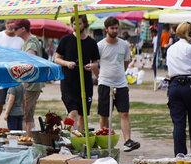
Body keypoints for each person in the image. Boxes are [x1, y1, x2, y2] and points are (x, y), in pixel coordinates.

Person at [95, 16, 139, 152]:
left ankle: (127, 141)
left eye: (116, 28)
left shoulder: (124, 45)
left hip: (121, 83)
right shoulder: (100, 46)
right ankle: (105, 139)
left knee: (124, 113)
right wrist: (101, 77)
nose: (115, 31)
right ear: (106, 29)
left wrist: (119, 74)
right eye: (112, 28)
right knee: (104, 114)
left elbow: (126, 62)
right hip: (104, 83)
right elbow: (96, 65)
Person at [54, 15, 99, 132]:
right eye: (74, 24)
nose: (76, 26)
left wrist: (92, 66)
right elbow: (56, 59)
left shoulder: (91, 42)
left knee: (83, 115)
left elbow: (96, 62)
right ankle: (70, 139)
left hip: (85, 82)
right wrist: (67, 63)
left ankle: (80, 140)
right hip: (68, 82)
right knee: (72, 112)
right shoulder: (65, 40)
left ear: (84, 24)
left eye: (79, 24)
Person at [165, 22, 191, 155]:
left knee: (178, 124)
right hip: (190, 84)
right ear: (189, 33)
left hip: (174, 85)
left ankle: (180, 155)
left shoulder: (171, 48)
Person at [12, 19, 44, 138]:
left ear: (23, 29)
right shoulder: (30, 41)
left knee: (24, 114)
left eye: (15, 28)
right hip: (33, 84)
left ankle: (28, 140)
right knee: (29, 116)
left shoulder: (31, 42)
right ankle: (30, 140)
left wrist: (24, 83)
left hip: (30, 85)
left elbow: (29, 64)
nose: (13, 31)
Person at [0, 20, 24, 128]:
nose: (10, 25)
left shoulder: (20, 39)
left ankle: (14, 124)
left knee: (14, 100)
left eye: (12, 23)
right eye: (8, 22)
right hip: (1, 73)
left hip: (15, 74)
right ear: (5, 24)